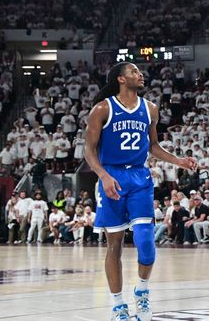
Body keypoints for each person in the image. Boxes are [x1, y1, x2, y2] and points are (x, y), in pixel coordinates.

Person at [84, 62, 196, 321]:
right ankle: (118, 305)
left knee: (146, 242)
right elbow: (88, 150)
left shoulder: (150, 109)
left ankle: (142, 291)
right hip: (111, 176)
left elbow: (153, 146)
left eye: (139, 71)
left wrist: (177, 160)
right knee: (115, 244)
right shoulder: (103, 109)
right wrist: (103, 176)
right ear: (121, 79)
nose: (140, 74)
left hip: (139, 176)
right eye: (133, 71)